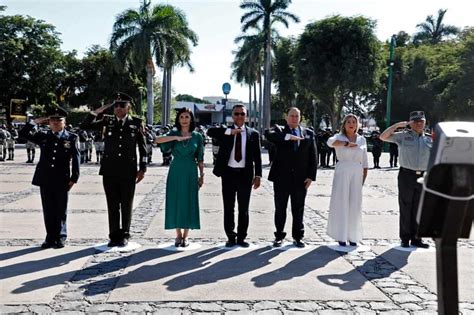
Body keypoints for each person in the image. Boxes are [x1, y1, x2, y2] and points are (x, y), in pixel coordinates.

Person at [81, 92, 147, 247]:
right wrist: (96, 112)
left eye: (121, 105)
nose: (118, 108)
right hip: (109, 170)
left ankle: (125, 234)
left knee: (126, 204)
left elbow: (143, 148)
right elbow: (84, 126)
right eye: (115, 105)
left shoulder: (136, 123)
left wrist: (142, 168)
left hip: (128, 170)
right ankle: (113, 235)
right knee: (112, 204)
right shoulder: (106, 121)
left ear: (128, 107)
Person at [19, 107, 80, 248]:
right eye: (52, 120)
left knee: (60, 208)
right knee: (48, 209)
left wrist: (74, 177)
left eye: (59, 120)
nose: (55, 123)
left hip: (62, 178)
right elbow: (23, 134)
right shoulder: (44, 136)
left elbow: (76, 158)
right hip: (45, 177)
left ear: (64, 122)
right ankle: (50, 237)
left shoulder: (71, 137)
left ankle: (61, 236)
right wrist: (34, 121)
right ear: (49, 122)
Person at [207, 104, 262, 247]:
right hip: (229, 173)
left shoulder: (253, 134)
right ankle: (231, 237)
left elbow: (258, 157)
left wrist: (258, 175)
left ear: (246, 116)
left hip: (245, 174)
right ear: (232, 116)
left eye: (242, 114)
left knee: (244, 208)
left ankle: (242, 237)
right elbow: (209, 132)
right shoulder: (226, 131)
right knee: (228, 207)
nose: (239, 116)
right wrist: (228, 132)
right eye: (236, 114)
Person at [267, 107, 318, 248]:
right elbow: (268, 136)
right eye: (292, 116)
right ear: (286, 117)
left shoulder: (308, 133)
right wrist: (288, 137)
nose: (294, 118)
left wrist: (311, 176)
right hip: (281, 178)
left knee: (298, 209)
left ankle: (298, 237)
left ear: (300, 118)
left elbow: (313, 157)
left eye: (297, 116)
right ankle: (279, 235)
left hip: (301, 179)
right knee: (280, 208)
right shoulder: (279, 131)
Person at [380, 111, 432, 248]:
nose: (419, 123)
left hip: (424, 176)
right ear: (410, 123)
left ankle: (417, 238)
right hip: (406, 175)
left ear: (425, 122)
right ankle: (405, 238)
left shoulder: (430, 139)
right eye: (416, 121)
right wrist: (397, 125)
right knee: (405, 207)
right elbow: (383, 137)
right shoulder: (403, 136)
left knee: (419, 208)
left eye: (421, 121)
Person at [155, 108, 204, 247]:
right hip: (176, 170)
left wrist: (202, 176)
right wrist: (176, 138)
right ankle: (178, 235)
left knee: (189, 200)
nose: (184, 119)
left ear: (191, 119)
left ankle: (186, 236)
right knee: (175, 199)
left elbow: (200, 158)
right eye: (181, 116)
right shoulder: (173, 133)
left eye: (187, 116)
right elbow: (157, 140)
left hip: (190, 170)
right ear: (178, 119)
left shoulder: (197, 136)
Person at [326, 114, 368, 246]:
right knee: (342, 202)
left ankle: (353, 235)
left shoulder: (362, 139)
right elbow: (329, 142)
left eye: (354, 122)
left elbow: (365, 160)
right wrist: (345, 143)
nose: (351, 124)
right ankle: (341, 235)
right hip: (343, 169)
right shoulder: (339, 137)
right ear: (344, 124)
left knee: (355, 204)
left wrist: (363, 177)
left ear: (357, 125)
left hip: (357, 171)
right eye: (348, 122)